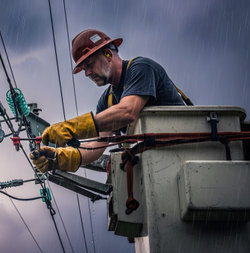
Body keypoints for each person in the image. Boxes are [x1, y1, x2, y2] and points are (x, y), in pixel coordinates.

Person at [30, 29, 187, 173]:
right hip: (158, 165)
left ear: (108, 54)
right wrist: (58, 158)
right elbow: (96, 147)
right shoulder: (108, 100)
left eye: (89, 65)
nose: (87, 73)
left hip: (185, 153)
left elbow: (127, 111)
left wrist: (72, 128)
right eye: (83, 69)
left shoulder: (141, 68)